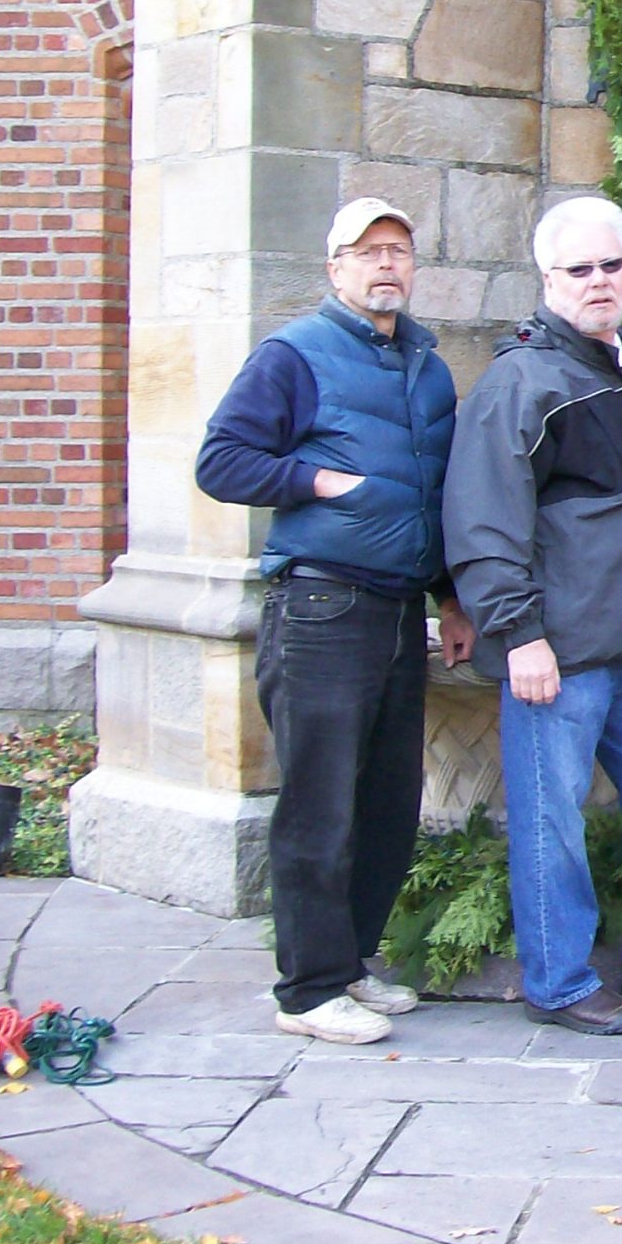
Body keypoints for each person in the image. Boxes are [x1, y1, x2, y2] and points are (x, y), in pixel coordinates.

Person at [441, 196, 622, 1036]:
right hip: (561, 654)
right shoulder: (522, 382)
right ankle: (561, 981)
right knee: (552, 824)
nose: (600, 281)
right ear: (548, 278)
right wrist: (520, 633)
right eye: (581, 269)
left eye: (613, 265)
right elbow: (483, 521)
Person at [195, 198, 474, 1046]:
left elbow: (432, 498)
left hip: (394, 610)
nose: (386, 264)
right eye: (367, 252)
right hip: (320, 605)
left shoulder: (425, 367)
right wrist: (319, 483)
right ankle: (308, 992)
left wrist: (448, 596)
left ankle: (350, 964)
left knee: (387, 805)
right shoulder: (294, 355)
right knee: (319, 805)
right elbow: (221, 460)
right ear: (336, 269)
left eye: (398, 251)